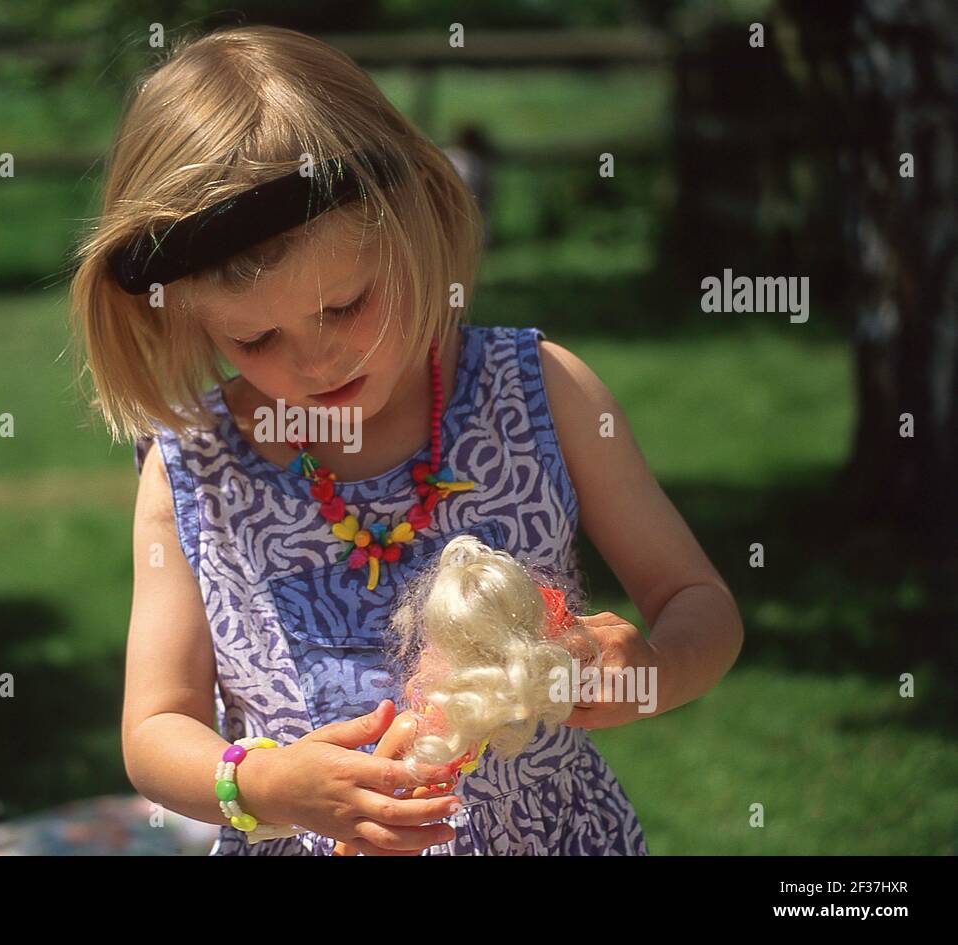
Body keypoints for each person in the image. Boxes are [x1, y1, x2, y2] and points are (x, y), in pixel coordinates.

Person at [69, 25, 744, 856]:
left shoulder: (539, 392)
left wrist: (651, 669)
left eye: (346, 305)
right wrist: (264, 785)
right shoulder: (195, 467)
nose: (315, 360)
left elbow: (701, 606)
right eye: (255, 340)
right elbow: (154, 726)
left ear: (414, 218)